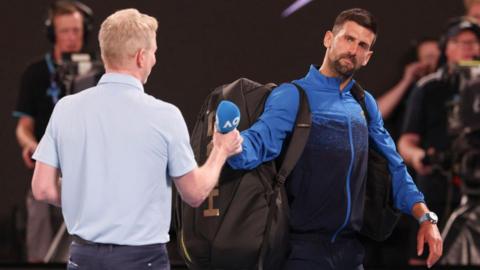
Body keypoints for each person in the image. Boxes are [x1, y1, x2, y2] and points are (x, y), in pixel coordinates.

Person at [227, 8, 442, 269]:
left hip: (352, 252)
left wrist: (426, 217)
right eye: (348, 39)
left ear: (368, 57)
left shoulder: (364, 104)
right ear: (329, 39)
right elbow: (258, 143)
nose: (353, 49)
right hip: (301, 251)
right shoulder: (293, 95)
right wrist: (231, 144)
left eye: (362, 45)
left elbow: (395, 167)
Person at [30, 8, 242, 269]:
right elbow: (195, 193)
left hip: (82, 258)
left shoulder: (65, 109)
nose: (154, 59)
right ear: (141, 57)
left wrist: (88, 194)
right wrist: (220, 150)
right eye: (153, 52)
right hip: (142, 261)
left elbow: (43, 189)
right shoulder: (165, 115)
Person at [12, 0, 92, 262]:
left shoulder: (97, 71)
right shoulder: (35, 73)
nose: (71, 38)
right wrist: (33, 146)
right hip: (47, 172)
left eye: (76, 31)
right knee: (41, 251)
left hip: (86, 175)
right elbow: (24, 128)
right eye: (64, 31)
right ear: (52, 34)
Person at [398, 17, 480, 265]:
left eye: (475, 42)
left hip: (476, 193)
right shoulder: (428, 88)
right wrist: (418, 157)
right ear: (447, 47)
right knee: (426, 259)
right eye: (462, 42)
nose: (470, 48)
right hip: (437, 190)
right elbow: (406, 141)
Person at [377, 38, 440, 141]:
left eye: (440, 56)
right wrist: (406, 81)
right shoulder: (408, 88)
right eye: (430, 57)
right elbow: (375, 114)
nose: (436, 61)